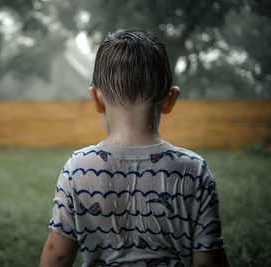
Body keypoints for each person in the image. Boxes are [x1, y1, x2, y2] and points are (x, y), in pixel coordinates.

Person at [40, 30, 230, 267]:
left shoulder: (78, 169)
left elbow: (57, 254)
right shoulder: (194, 171)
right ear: (171, 99)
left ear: (97, 99)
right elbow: (209, 261)